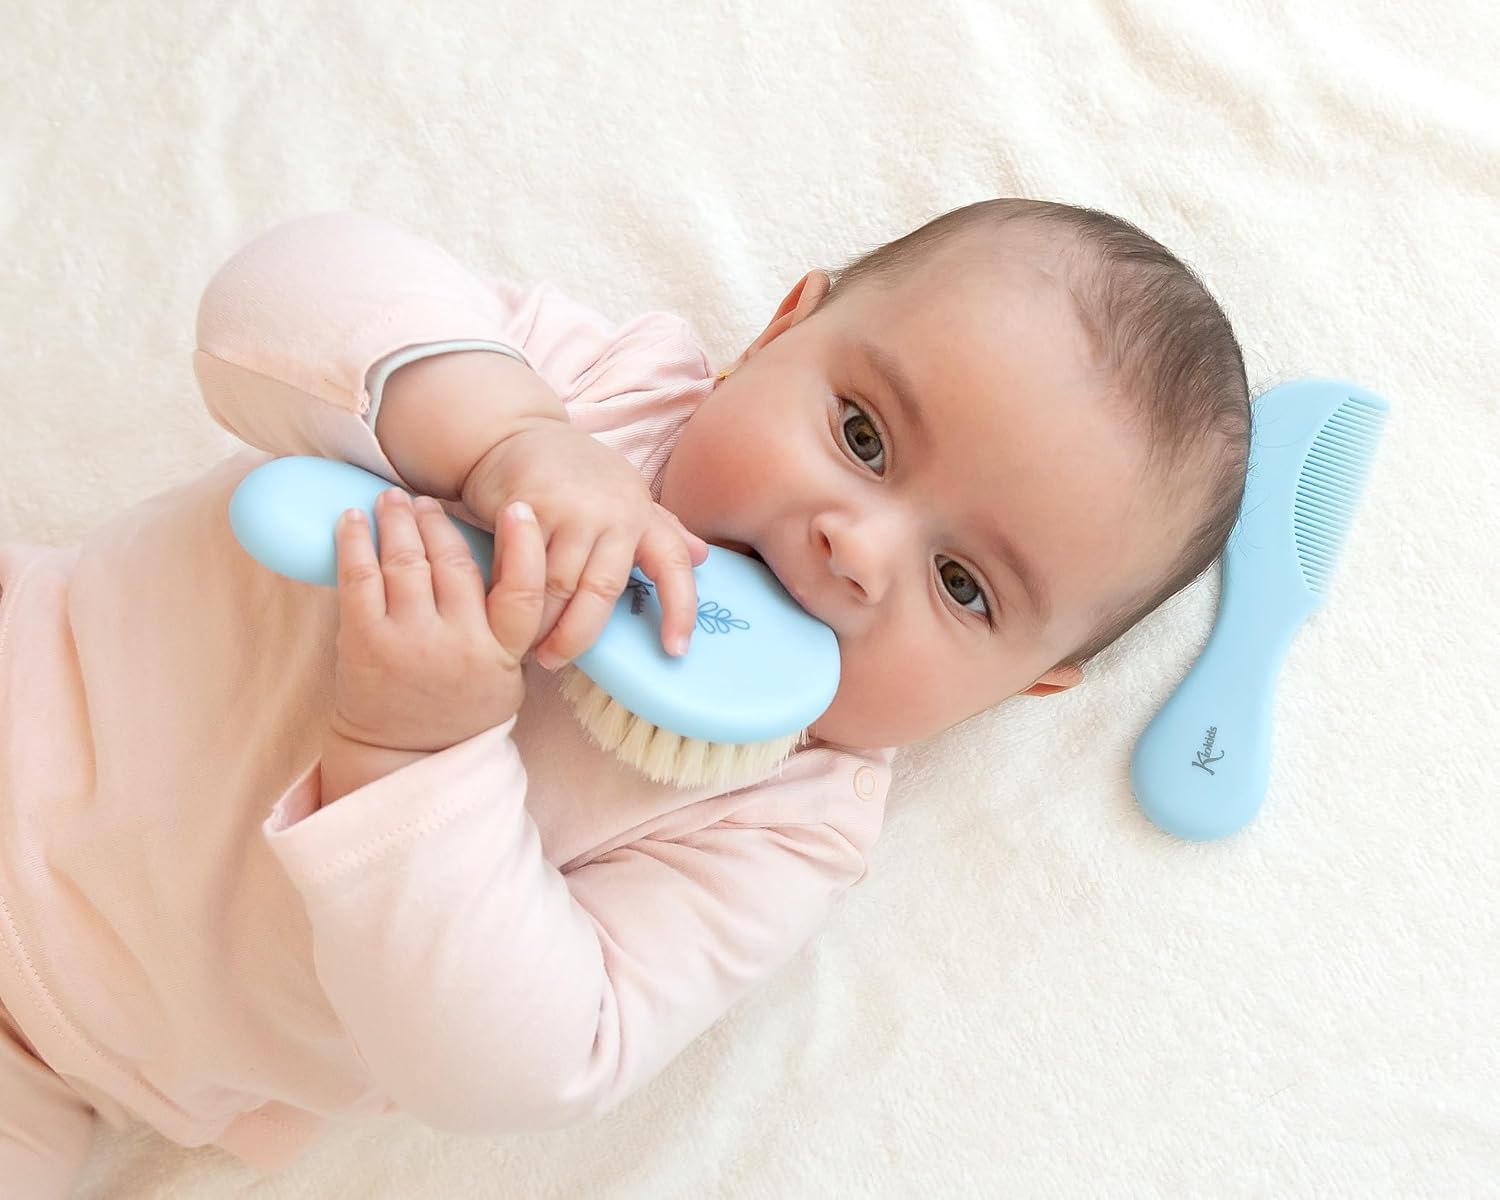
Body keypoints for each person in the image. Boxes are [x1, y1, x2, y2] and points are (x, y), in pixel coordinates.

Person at [0, 199, 1249, 1197]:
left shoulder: (785, 826)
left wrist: (415, 760)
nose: (857, 550)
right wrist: (502, 440)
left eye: (965, 584)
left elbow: (524, 1070)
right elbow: (270, 294)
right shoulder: (597, 392)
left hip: (48, 1054)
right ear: (776, 331)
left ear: (1021, 688)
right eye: (863, 436)